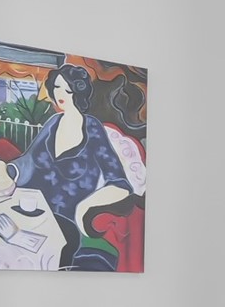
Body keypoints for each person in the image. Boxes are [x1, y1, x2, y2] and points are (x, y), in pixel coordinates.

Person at [15, 63, 146, 268]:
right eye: (57, 87)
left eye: (68, 89)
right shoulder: (53, 122)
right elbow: (27, 161)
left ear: (79, 92)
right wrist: (4, 171)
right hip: (30, 209)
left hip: (64, 222)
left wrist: (84, 206)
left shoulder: (91, 128)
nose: (61, 94)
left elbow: (120, 184)